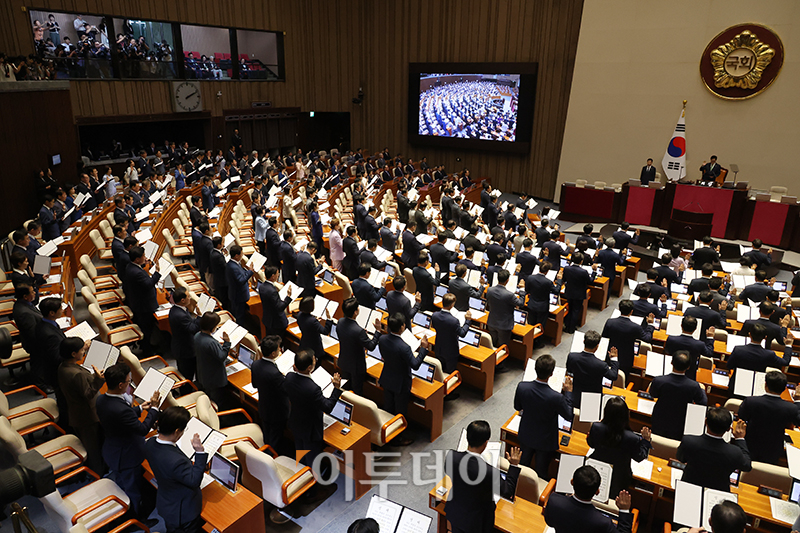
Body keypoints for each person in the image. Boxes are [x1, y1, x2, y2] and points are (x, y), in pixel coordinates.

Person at [96, 362, 160, 519]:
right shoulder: (120, 409)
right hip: (127, 456)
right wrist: (154, 409)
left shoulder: (101, 399)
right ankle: (136, 519)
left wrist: (139, 409)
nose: (129, 384)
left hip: (112, 449)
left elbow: (118, 417)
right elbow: (143, 429)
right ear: (120, 385)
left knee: (123, 484)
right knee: (133, 491)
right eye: (128, 381)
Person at [444, 420, 522, 533]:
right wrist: (513, 466)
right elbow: (508, 491)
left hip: (455, 513)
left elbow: (449, 472)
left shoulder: (451, 456)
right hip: (477, 523)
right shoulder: (489, 472)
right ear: (486, 443)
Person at [144, 406, 208, 533]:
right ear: (177, 431)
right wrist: (199, 453)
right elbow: (194, 480)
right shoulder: (176, 461)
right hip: (183, 511)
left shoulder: (150, 443)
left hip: (167, 502)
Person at [514, 354, 573, 479]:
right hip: (545, 441)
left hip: (526, 434)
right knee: (541, 472)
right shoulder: (557, 397)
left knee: (522, 467)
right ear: (551, 374)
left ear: (535, 369)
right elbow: (568, 415)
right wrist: (568, 393)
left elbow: (517, 407)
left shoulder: (522, 387)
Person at [283, 350, 342, 471]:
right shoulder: (313, 389)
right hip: (310, 429)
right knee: (312, 460)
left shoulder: (289, 377)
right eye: (314, 360)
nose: (316, 360)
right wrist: (336, 388)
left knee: (300, 453)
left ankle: (300, 472)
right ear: (309, 367)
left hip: (296, 422)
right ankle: (311, 483)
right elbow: (327, 407)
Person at [378, 313, 429, 446]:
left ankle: (389, 434)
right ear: (402, 327)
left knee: (388, 407)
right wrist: (423, 349)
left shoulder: (382, 339)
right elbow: (415, 365)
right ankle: (397, 438)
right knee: (400, 411)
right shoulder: (404, 347)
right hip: (401, 383)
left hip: (387, 377)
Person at [587, 397, 651, 498]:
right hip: (619, 477)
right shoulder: (632, 438)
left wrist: (598, 426)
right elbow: (639, 457)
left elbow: (591, 444)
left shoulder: (596, 427)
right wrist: (646, 441)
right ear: (626, 416)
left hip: (596, 470)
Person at [57, 336, 105, 474]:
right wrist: (98, 379)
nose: (84, 352)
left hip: (76, 412)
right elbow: (88, 394)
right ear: (73, 353)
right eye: (82, 350)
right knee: (93, 448)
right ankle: (98, 475)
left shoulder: (63, 366)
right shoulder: (77, 374)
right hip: (87, 416)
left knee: (90, 444)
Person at [677, 407, 751, 491]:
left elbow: (681, 458)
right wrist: (740, 438)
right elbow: (747, 466)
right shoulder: (734, 452)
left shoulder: (689, 441)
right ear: (728, 429)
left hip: (688, 487)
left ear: (705, 422)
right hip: (718, 491)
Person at [543, 465, 634, 533]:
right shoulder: (603, 522)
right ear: (597, 492)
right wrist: (624, 510)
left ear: (572, 482)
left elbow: (550, 522)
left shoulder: (554, 501)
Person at [738, 370, 800, 465]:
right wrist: (798, 401)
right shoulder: (791, 408)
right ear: (784, 389)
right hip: (773, 450)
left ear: (765, 385)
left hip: (749, 445)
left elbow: (741, 417)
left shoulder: (750, 401)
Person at [648, 351, 708, 441]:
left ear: (671, 363)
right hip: (680, 424)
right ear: (688, 367)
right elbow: (702, 402)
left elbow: (653, 394)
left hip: (659, 420)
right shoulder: (694, 386)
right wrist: (702, 389)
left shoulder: (659, 380)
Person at [252, 335, 291, 454]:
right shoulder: (275, 374)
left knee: (267, 433)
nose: (280, 350)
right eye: (279, 348)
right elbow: (286, 390)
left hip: (264, 406)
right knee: (275, 438)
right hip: (277, 411)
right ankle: (270, 457)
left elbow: (254, 384)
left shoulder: (255, 364)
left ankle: (266, 450)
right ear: (273, 353)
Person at [727, 323, 792, 391]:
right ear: (765, 337)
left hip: (735, 386)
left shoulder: (738, 350)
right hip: (755, 387)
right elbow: (785, 362)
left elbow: (729, 366)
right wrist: (788, 345)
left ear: (749, 334)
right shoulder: (769, 354)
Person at [337, 297, 382, 394]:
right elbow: (371, 346)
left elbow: (348, 337)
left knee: (345, 390)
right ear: (355, 312)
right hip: (356, 368)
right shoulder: (358, 331)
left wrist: (362, 336)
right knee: (357, 392)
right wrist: (378, 331)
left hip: (344, 362)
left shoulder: (340, 322)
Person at [566, 330, 620, 408]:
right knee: (589, 419)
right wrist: (614, 359)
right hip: (592, 399)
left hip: (575, 394)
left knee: (574, 417)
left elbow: (569, 370)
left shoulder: (572, 357)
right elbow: (613, 376)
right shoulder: (601, 365)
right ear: (597, 346)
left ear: (584, 341)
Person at [601, 299, 654, 377]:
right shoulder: (636, 327)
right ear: (631, 311)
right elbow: (647, 338)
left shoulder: (610, 322)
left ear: (619, 309)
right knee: (622, 377)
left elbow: (604, 338)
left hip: (611, 355)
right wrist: (650, 325)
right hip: (626, 358)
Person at [485, 269, 523, 372]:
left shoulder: (490, 290)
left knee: (492, 344)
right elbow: (520, 303)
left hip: (492, 321)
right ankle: (500, 366)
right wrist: (522, 290)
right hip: (504, 325)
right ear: (507, 280)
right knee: (503, 346)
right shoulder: (509, 295)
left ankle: (491, 363)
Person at [125, 246, 161, 356]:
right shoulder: (137, 272)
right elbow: (148, 284)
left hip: (138, 301)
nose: (145, 258)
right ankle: (147, 350)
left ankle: (147, 345)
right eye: (143, 256)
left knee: (147, 327)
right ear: (137, 259)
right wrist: (157, 272)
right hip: (144, 305)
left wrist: (144, 264)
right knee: (147, 328)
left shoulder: (130, 266)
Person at [194, 311, 232, 407]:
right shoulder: (210, 343)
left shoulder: (197, 336)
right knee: (217, 401)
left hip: (204, 374)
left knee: (210, 396)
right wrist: (227, 343)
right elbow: (222, 356)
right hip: (215, 378)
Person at [664, 315, 715, 381]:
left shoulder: (671, 339)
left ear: (681, 326)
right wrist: (710, 337)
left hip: (671, 369)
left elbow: (667, 351)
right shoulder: (699, 344)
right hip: (689, 374)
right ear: (695, 328)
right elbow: (709, 353)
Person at [431, 293, 472, 375]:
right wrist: (468, 321)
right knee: (450, 373)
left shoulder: (434, 315)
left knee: (440, 372)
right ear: (452, 305)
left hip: (439, 347)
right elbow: (462, 333)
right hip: (451, 351)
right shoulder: (454, 321)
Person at [35, 297, 67, 394]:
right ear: (52, 313)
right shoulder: (49, 334)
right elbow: (57, 358)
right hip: (55, 373)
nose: (62, 310)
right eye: (60, 309)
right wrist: (78, 348)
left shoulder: (45, 323)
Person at [168, 288, 201, 381]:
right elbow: (193, 329)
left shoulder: (176, 309)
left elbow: (189, 323)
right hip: (185, 350)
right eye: (188, 297)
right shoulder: (180, 315)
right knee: (187, 375)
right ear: (182, 300)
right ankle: (186, 393)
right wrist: (199, 317)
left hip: (181, 345)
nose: (190, 298)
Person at [12, 284, 42, 375]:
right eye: (32, 292)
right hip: (35, 346)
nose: (34, 293)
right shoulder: (24, 313)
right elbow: (33, 336)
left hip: (34, 339)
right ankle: (41, 383)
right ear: (25, 296)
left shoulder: (23, 304)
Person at [562, 252, 595, 333]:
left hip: (569, 292)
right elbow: (590, 281)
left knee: (569, 309)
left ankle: (566, 326)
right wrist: (594, 272)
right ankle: (571, 329)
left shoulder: (566, 268)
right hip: (579, 294)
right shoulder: (583, 272)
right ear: (581, 261)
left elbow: (564, 279)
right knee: (575, 311)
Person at [259, 265, 292, 338]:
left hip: (267, 319)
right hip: (276, 322)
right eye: (277, 273)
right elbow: (280, 308)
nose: (278, 275)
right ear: (273, 276)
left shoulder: (262, 286)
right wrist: (288, 297)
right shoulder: (272, 291)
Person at [225, 245, 254, 323]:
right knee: (239, 316)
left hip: (236, 294)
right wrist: (250, 271)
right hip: (238, 296)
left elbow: (240, 273)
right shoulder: (233, 267)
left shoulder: (233, 263)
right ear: (236, 256)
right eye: (241, 253)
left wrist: (246, 271)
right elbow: (241, 280)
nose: (242, 255)